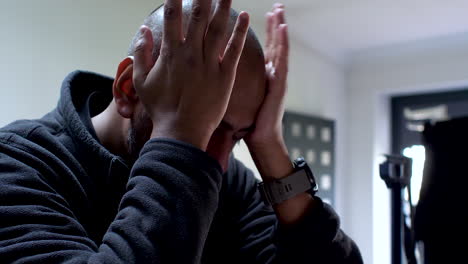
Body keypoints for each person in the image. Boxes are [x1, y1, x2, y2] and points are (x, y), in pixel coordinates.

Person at [0, 0, 362, 263]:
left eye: (236, 135)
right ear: (129, 89)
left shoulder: (225, 180)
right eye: (207, 123)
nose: (220, 163)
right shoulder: (15, 166)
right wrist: (182, 139)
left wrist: (269, 144)